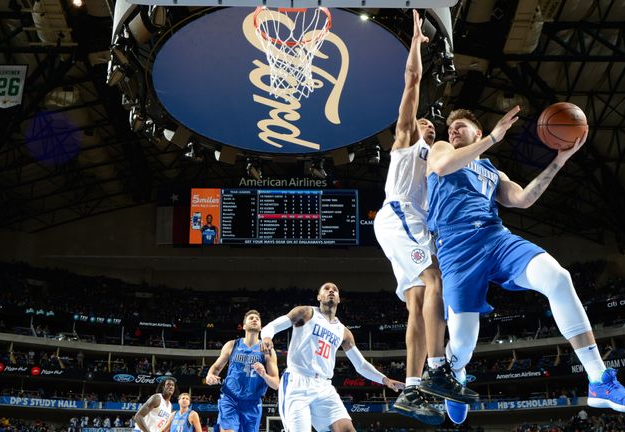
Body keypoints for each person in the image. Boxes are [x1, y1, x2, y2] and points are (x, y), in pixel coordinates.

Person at [425, 106, 625, 421]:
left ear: (476, 131)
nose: (452, 131)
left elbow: (524, 199)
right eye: (451, 128)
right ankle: (456, 373)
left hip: (496, 239)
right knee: (462, 343)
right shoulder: (441, 148)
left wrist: (560, 159)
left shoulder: (493, 171)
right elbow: (444, 166)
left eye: (460, 127)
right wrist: (493, 137)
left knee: (557, 277)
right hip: (457, 248)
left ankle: (599, 380)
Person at [373, 9, 478, 425]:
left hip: (414, 225)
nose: (427, 125)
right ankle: (438, 369)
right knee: (433, 280)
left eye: (431, 125)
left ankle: (413, 388)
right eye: (422, 123)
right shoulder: (403, 143)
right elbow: (412, 82)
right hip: (398, 214)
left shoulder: (440, 161)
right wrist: (416, 44)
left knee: (418, 301)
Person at [260, 282, 404, 432]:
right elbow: (272, 326)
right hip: (297, 381)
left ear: (339, 299)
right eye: (326, 289)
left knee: (347, 429)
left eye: (334, 290)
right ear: (319, 297)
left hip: (323, 386)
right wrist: (267, 338)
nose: (331, 291)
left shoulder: (344, 332)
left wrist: (385, 380)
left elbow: (360, 365)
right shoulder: (306, 313)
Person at [205, 310, 279, 432]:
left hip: (252, 402)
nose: (254, 319)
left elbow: (276, 384)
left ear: (261, 327)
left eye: (257, 318)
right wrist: (210, 376)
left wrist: (264, 374)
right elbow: (217, 368)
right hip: (230, 398)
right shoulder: (231, 345)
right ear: (244, 326)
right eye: (251, 318)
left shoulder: (267, 351)